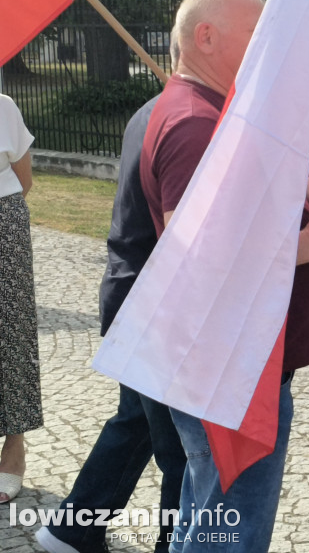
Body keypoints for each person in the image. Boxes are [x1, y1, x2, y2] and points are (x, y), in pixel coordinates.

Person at [140, 0, 309, 553]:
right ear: (205, 37)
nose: (271, 50)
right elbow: (197, 253)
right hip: (229, 366)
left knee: (206, 520)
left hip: (234, 358)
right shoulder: (195, 124)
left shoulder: (218, 114)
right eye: (258, 35)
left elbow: (244, 203)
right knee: (229, 533)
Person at [37, 93, 187, 551]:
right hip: (152, 301)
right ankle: (173, 543)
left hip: (131, 291)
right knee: (181, 448)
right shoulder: (181, 120)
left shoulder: (152, 111)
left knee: (136, 423)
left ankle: (72, 529)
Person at [0, 93, 41, 505]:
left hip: (2, 223)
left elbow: (24, 179)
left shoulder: (3, 106)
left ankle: (13, 446)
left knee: (11, 333)